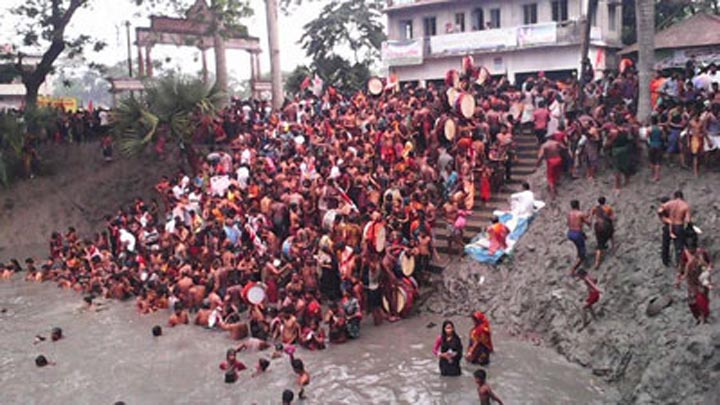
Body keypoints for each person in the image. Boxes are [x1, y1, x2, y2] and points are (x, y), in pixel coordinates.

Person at [658, 191, 691, 268]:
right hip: (679, 226)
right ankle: (680, 264)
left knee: (665, 244)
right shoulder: (684, 205)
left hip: (668, 226)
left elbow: (659, 211)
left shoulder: (670, 204)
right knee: (679, 246)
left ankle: (665, 260)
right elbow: (688, 220)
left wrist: (665, 219)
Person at [590, 197, 615, 269]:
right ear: (605, 201)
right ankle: (613, 248)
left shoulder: (595, 208)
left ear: (598, 202)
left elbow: (591, 216)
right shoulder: (608, 208)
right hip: (606, 225)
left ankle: (597, 262)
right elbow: (612, 218)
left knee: (599, 244)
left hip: (598, 226)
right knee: (611, 235)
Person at [567, 200, 590, 275]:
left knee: (578, 245)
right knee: (582, 254)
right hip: (577, 234)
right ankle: (573, 269)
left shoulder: (569, 213)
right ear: (578, 205)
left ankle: (578, 255)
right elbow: (588, 223)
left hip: (570, 233)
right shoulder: (580, 213)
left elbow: (570, 223)